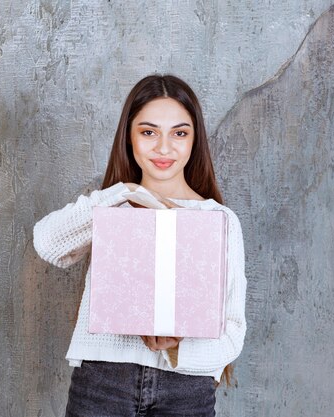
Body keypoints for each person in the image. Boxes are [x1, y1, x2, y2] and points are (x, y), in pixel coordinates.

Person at [33, 74, 247, 416]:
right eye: (148, 132)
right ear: (129, 138)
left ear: (195, 141)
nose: (164, 148)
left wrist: (177, 349)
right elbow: (47, 242)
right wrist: (125, 193)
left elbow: (233, 332)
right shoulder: (113, 205)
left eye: (179, 133)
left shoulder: (218, 220)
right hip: (103, 382)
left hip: (186, 391)